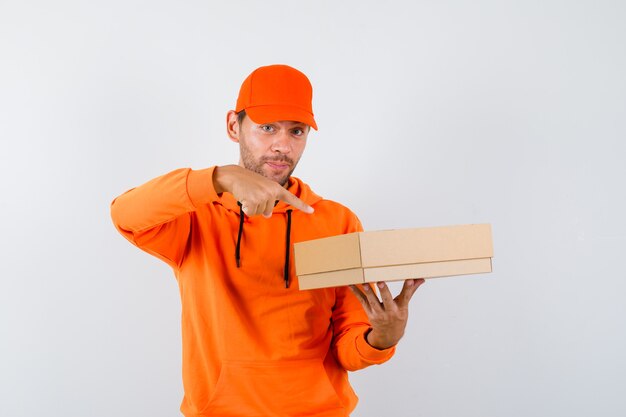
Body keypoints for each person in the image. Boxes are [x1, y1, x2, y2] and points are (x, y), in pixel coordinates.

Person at [110, 64, 425, 417]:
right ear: (234, 126)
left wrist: (382, 338)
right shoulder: (197, 217)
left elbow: (348, 349)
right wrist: (221, 178)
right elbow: (125, 214)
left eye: (296, 131)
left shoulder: (337, 222)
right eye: (267, 128)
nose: (282, 145)